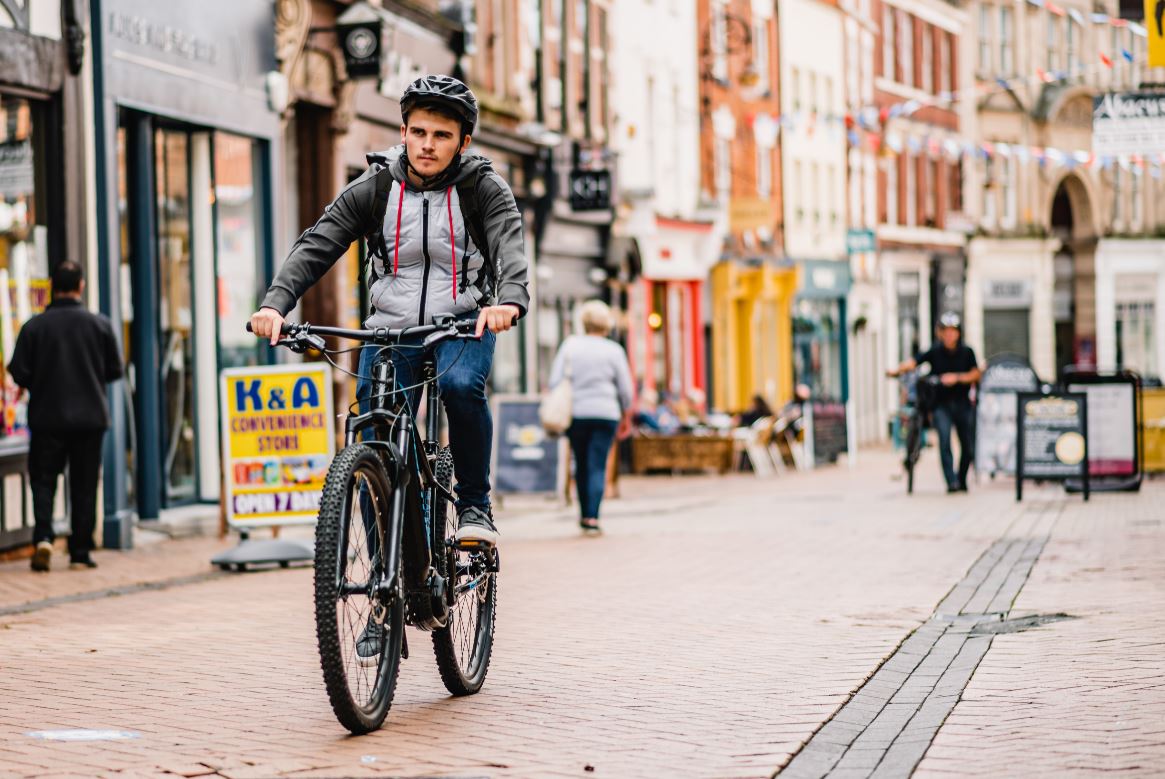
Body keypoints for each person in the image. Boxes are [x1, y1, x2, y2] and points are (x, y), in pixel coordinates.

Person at [250, 75, 529, 549]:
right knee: (374, 432)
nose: (427, 145)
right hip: (389, 328)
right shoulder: (377, 186)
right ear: (403, 132)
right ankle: (386, 570)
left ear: (463, 142)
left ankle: (475, 505)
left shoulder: (484, 189)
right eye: (418, 132)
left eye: (441, 136)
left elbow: (509, 247)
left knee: (461, 387)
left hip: (462, 323)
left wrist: (509, 300)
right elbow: (318, 243)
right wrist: (275, 304)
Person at [8, 262, 124, 571]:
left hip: (47, 416)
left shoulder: (34, 327)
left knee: (44, 480)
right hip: (90, 418)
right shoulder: (99, 325)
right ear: (81, 286)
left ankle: (44, 536)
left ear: (51, 286)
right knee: (85, 484)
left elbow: (18, 371)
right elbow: (115, 370)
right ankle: (80, 550)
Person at [548, 300, 632, 534]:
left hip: (577, 413)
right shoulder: (614, 350)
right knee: (597, 464)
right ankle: (593, 517)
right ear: (606, 324)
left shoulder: (570, 346)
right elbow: (625, 389)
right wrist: (626, 413)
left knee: (582, 463)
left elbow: (555, 380)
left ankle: (585, 515)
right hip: (606, 413)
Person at [887, 311, 981, 493]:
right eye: (945, 331)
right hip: (941, 405)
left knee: (967, 445)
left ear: (958, 333)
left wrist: (957, 378)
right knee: (944, 440)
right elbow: (914, 362)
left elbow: (976, 373)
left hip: (962, 403)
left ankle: (961, 479)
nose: (949, 335)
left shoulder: (967, 352)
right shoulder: (935, 351)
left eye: (952, 331)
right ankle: (951, 482)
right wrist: (896, 371)